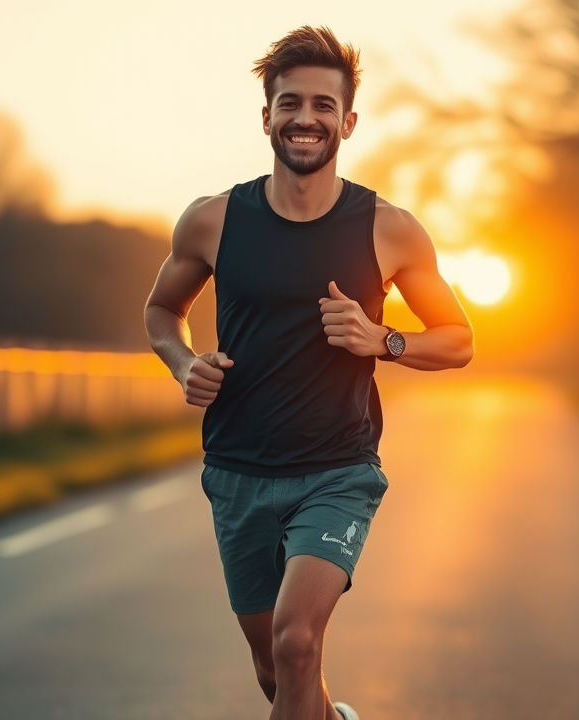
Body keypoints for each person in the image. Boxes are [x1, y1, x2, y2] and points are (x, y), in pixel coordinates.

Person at [144, 25, 473, 720]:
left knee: (298, 643)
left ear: (348, 122)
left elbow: (458, 339)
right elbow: (160, 311)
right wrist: (183, 363)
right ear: (266, 117)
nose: (306, 118)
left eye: (324, 106)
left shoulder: (389, 228)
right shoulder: (213, 221)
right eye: (290, 103)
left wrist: (381, 339)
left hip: (337, 470)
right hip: (236, 469)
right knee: (276, 670)